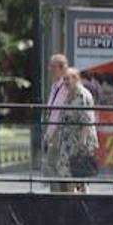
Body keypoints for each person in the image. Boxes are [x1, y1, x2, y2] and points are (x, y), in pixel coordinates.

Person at [49, 68, 99, 193]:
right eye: (64, 79)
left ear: (76, 79)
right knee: (71, 175)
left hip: (77, 143)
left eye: (68, 79)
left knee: (77, 175)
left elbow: (86, 121)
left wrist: (81, 144)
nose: (65, 82)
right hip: (67, 142)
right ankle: (74, 200)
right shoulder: (69, 94)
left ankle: (78, 201)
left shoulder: (81, 95)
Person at [43, 54, 71, 189]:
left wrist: (50, 134)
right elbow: (52, 112)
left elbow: (59, 113)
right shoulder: (55, 86)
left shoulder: (65, 87)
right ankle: (58, 193)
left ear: (62, 68)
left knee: (52, 164)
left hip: (60, 132)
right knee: (53, 165)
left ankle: (58, 195)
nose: (50, 69)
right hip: (54, 131)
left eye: (53, 67)